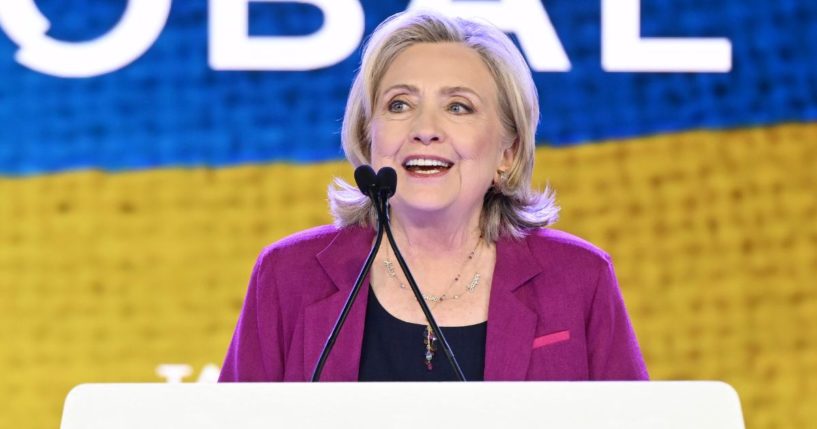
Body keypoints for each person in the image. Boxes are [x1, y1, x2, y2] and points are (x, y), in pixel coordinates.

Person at [219, 10, 648, 382]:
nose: (425, 129)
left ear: (508, 152)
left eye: (458, 107)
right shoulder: (287, 276)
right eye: (399, 105)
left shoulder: (578, 278)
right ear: (369, 137)